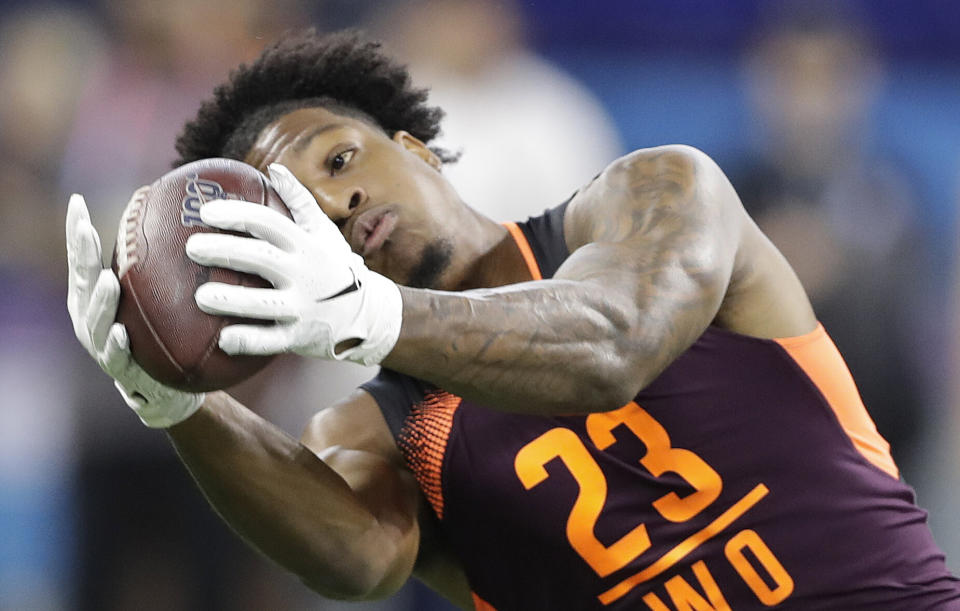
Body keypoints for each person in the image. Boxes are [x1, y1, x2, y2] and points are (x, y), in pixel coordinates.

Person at [66, 30, 960, 610]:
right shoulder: (376, 428)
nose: (338, 202)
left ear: (415, 148)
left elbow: (616, 339)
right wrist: (174, 400)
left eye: (340, 158)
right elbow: (356, 560)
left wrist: (369, 313)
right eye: (300, 210)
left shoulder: (658, 194)